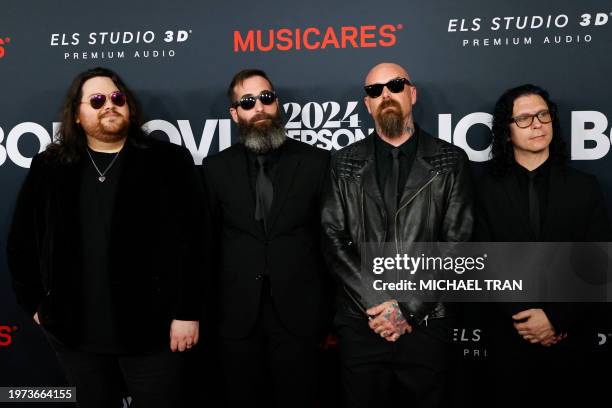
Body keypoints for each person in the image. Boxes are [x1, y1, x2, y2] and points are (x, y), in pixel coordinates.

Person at [7, 67, 203, 408]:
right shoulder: (50, 166)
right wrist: (37, 305)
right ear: (78, 115)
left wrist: (187, 312)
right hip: (74, 333)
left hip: (153, 332)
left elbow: (195, 241)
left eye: (117, 98)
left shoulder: (167, 161)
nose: (109, 106)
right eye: (96, 100)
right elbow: (22, 241)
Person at [321, 62, 473, 407]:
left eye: (395, 85)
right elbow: (332, 239)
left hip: (426, 322)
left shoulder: (450, 160)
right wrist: (377, 304)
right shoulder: (343, 162)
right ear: (368, 104)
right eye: (375, 90)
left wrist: (408, 309)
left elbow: (456, 243)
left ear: (412, 93)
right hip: (362, 322)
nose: (385, 94)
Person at [474, 83, 612, 407]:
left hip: (571, 343)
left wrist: (556, 319)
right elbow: (481, 260)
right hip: (508, 343)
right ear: (506, 131)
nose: (537, 124)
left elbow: (598, 264)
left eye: (542, 115)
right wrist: (526, 319)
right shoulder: (483, 191)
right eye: (524, 118)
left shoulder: (585, 188)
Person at [200, 69, 330, 407]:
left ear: (277, 104)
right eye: (247, 101)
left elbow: (330, 241)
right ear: (234, 113)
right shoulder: (215, 169)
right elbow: (206, 246)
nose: (259, 107)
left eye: (266, 98)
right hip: (236, 317)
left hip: (300, 316)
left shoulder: (316, 163)